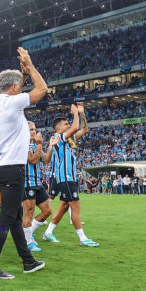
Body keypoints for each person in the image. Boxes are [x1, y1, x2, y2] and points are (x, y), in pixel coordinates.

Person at [0, 47, 47, 279]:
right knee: (7, 216)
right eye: (19, 85)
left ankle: (28, 261)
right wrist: (30, 65)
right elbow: (43, 89)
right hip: (12, 166)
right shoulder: (13, 103)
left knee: (16, 215)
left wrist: (23, 76)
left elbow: (15, 91)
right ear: (16, 89)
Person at [43, 104, 98, 247]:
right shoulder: (58, 136)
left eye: (68, 124)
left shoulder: (70, 138)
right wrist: (75, 114)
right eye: (65, 124)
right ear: (58, 128)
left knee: (64, 207)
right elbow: (74, 128)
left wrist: (82, 114)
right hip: (65, 177)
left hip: (70, 176)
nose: (68, 126)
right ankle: (82, 238)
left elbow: (84, 129)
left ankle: (48, 232)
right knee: (75, 206)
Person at [21, 121, 53, 253]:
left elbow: (45, 160)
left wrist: (50, 146)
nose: (34, 131)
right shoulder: (22, 144)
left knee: (47, 211)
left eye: (34, 129)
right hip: (27, 184)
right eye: (30, 130)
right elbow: (32, 160)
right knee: (28, 213)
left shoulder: (34, 144)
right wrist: (40, 144)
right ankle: (28, 242)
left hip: (37, 184)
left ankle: (28, 233)